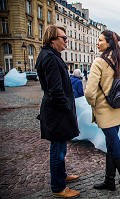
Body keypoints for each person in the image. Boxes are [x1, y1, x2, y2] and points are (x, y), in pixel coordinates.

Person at [35, 25, 80, 198]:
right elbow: (55, 90)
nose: (66, 40)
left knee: (61, 147)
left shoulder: (51, 55)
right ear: (53, 39)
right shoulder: (50, 58)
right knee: (58, 150)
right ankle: (58, 187)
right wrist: (67, 107)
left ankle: (61, 176)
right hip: (57, 111)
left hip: (56, 110)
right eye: (63, 38)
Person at [85, 30, 120, 191]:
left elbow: (90, 92)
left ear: (109, 43)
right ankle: (110, 181)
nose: (98, 43)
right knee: (111, 144)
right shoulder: (119, 60)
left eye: (100, 40)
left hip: (104, 110)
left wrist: (93, 105)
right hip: (117, 108)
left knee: (114, 144)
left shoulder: (99, 61)